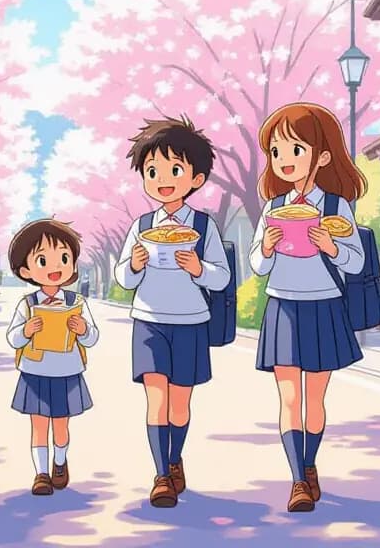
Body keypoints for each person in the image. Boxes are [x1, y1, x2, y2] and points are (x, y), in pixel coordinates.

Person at [249, 102, 367, 513]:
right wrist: (264, 247)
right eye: (276, 152)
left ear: (323, 156)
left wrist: (331, 245)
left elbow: (356, 262)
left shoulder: (336, 207)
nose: (284, 160)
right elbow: (258, 266)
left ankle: (309, 464)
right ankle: (298, 479)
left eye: (295, 150)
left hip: (323, 307)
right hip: (283, 305)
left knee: (314, 398)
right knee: (289, 400)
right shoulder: (272, 208)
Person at [113, 116, 231, 508]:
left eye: (175, 169)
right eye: (152, 171)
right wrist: (134, 261)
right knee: (156, 400)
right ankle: (161, 474)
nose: (163, 178)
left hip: (190, 322)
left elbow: (221, 277)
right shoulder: (142, 226)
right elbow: (124, 279)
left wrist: (197, 268)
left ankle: (175, 457)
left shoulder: (202, 226)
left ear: (196, 178)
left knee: (180, 403)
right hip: (148, 320)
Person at [4, 220, 100, 496]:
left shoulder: (76, 303)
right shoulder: (28, 304)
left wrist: (82, 329)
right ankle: (41, 473)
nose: (54, 267)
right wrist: (27, 330)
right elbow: (13, 338)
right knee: (38, 424)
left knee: (60, 424)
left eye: (64, 258)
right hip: (34, 372)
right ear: (26, 270)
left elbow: (92, 338)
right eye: (43, 260)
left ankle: (60, 461)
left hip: (67, 372)